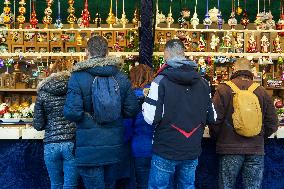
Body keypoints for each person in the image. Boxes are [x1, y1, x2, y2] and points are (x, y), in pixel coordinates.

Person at [63, 35, 139, 189]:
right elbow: (132, 109)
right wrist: (113, 113)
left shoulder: (77, 77)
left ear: (86, 52)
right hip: (114, 147)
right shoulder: (120, 76)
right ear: (107, 52)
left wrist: (89, 116)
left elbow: (72, 112)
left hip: (88, 149)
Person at [142, 39, 216, 189]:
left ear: (166, 54)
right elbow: (212, 117)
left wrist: (144, 103)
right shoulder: (203, 83)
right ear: (183, 54)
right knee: (187, 186)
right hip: (191, 149)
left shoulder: (160, 81)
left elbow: (150, 118)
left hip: (165, 148)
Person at [209, 58, 278, 189]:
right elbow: (273, 123)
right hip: (255, 149)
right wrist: (259, 135)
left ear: (234, 69)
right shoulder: (261, 91)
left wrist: (220, 138)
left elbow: (214, 120)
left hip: (229, 148)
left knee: (226, 186)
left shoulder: (223, 89)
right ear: (251, 70)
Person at [33, 60, 79, 189]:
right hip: (71, 142)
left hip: (51, 143)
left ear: (51, 72)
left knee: (56, 184)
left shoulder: (43, 92)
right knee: (70, 185)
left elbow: (38, 125)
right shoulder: (74, 90)